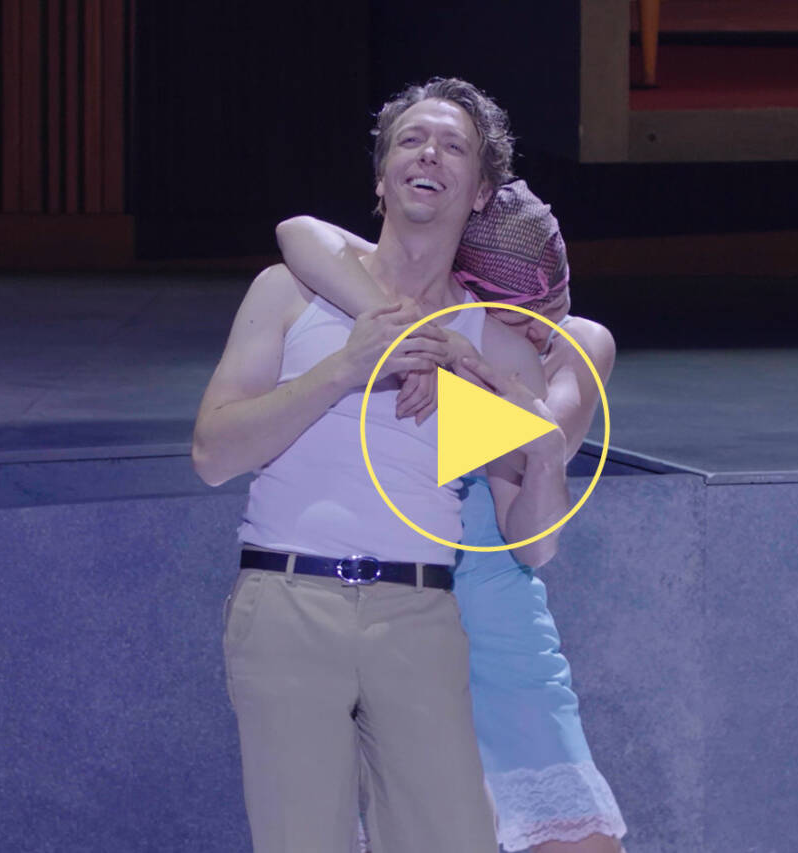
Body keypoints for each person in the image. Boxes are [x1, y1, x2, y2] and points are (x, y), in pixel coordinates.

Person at [192, 78, 572, 853]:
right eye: (411, 140)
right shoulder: (292, 290)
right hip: (288, 596)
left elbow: (532, 543)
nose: (429, 153)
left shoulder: (492, 343)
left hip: (419, 615)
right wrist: (345, 367)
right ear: (380, 177)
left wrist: (543, 451)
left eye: (453, 146)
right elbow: (211, 454)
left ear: (481, 192)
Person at [276, 179, 625, 852]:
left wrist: (456, 366)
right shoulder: (431, 318)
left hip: (500, 619)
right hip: (401, 611)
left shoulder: (583, 343)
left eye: (547, 311)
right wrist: (432, 337)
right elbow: (299, 232)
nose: (535, 334)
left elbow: (533, 451)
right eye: (516, 318)